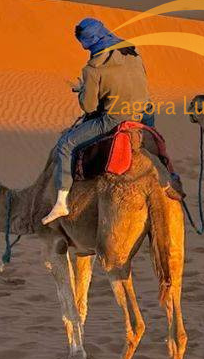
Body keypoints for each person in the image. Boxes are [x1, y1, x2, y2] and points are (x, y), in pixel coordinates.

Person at [43, 17, 153, 223]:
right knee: (152, 147)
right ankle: (169, 177)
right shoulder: (132, 51)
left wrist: (83, 90)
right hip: (145, 113)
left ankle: (61, 203)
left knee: (66, 144)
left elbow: (89, 107)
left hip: (115, 118)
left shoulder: (92, 69)